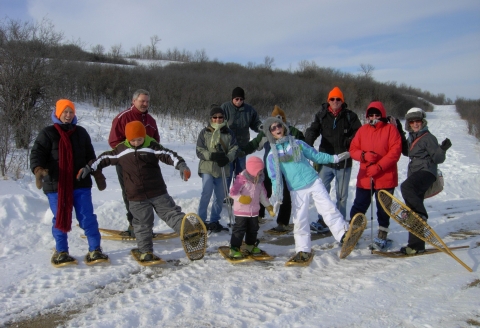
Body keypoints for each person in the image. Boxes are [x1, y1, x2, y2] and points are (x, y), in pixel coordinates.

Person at [82, 121, 191, 263]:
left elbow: (169, 155)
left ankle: (190, 233)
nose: (136, 142)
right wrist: (88, 168)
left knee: (171, 213)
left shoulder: (151, 146)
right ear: (127, 138)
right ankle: (146, 252)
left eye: (139, 139)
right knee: (142, 224)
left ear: (144, 136)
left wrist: (182, 166)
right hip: (136, 196)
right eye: (133, 140)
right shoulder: (121, 150)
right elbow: (104, 158)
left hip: (157, 191)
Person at [30, 99, 109, 266]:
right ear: (58, 113)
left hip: (80, 183)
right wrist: (38, 170)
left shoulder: (81, 132)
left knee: (87, 217)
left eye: (71, 112)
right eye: (64, 112)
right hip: (56, 184)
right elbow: (37, 154)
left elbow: (91, 157)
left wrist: (96, 172)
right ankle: (61, 251)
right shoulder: (48, 133)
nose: (68, 115)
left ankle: (95, 249)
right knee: (59, 217)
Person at [263, 116, 351, 263]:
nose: (277, 129)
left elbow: (316, 155)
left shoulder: (297, 143)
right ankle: (303, 249)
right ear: (269, 132)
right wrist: (277, 197)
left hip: (313, 181)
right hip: (296, 189)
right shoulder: (272, 155)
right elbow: (274, 177)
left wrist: (334, 159)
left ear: (283, 126)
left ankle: (343, 234)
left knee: (328, 208)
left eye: (278, 125)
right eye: (273, 128)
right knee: (300, 219)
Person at [305, 87, 362, 232]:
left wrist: (349, 141)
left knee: (342, 196)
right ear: (328, 100)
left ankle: (340, 224)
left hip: (344, 160)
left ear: (342, 101)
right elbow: (313, 130)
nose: (335, 101)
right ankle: (322, 221)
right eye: (332, 99)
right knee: (322, 193)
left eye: (338, 99)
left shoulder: (350, 116)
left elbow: (359, 134)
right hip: (326, 160)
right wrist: (307, 145)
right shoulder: (321, 115)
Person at [349, 101, 402, 249]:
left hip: (385, 177)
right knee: (359, 205)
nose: (374, 117)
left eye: (376, 114)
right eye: (370, 115)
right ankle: (353, 231)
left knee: (383, 208)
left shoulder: (391, 130)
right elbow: (353, 149)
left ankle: (382, 234)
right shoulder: (362, 130)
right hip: (366, 177)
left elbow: (395, 152)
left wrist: (379, 166)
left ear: (382, 115)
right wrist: (364, 155)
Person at [242, 105, 305, 230]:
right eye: (274, 119)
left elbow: (304, 143)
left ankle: (282, 222)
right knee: (263, 190)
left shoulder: (292, 131)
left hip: (288, 169)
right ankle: (258, 216)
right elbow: (254, 144)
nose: (277, 123)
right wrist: (240, 151)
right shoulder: (266, 132)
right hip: (269, 168)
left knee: (285, 195)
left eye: (280, 119)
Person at [108, 89, 160, 237]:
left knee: (148, 194)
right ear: (134, 101)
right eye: (142, 101)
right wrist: (129, 155)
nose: (145, 104)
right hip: (127, 164)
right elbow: (114, 141)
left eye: (147, 101)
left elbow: (156, 141)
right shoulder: (123, 117)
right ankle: (133, 224)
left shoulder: (150, 120)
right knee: (131, 194)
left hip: (146, 164)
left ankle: (146, 226)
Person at [400, 108, 451, 255]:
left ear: (423, 122)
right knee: (412, 209)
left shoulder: (428, 137)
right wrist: (398, 129)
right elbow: (406, 152)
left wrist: (442, 149)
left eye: (418, 121)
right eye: (412, 121)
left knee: (406, 188)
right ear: (409, 123)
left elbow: (437, 158)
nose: (415, 124)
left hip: (427, 172)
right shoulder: (412, 137)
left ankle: (422, 215)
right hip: (416, 174)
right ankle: (416, 246)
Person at [196, 106, 238, 233]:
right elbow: (199, 150)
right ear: (211, 118)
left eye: (220, 117)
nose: (218, 119)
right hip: (207, 167)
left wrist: (227, 158)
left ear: (224, 118)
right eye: (215, 117)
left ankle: (214, 220)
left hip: (222, 168)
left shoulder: (229, 133)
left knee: (220, 196)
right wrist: (212, 155)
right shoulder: (205, 132)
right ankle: (201, 221)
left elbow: (234, 148)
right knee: (206, 192)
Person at [229, 156, 275, 258]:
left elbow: (263, 196)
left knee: (253, 229)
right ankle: (234, 248)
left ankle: (250, 245)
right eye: (259, 170)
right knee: (239, 229)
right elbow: (232, 193)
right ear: (253, 170)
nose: (261, 172)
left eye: (262, 170)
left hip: (254, 211)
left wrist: (268, 207)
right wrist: (241, 198)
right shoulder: (241, 179)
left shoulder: (259, 181)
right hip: (241, 211)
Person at [221, 87, 262, 194]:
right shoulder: (225, 107)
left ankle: (237, 193)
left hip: (242, 146)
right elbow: (218, 122)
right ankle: (225, 195)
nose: (239, 101)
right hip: (228, 147)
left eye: (241, 99)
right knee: (228, 172)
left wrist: (261, 127)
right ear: (232, 99)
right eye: (236, 99)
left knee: (240, 173)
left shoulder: (249, 110)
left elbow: (255, 123)